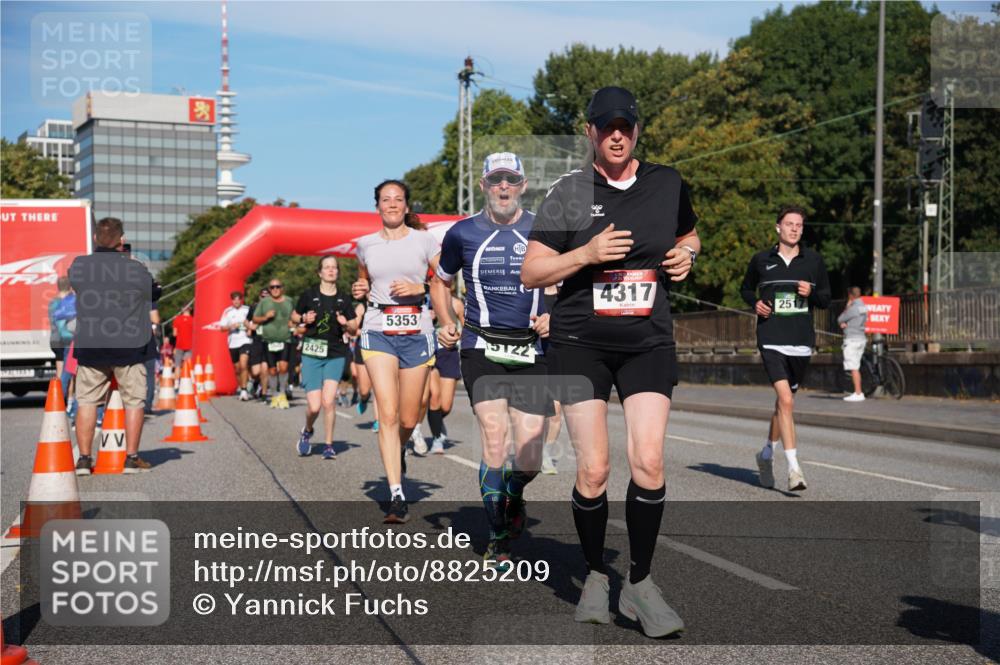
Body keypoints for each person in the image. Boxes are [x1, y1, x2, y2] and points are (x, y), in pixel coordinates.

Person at [521, 87, 699, 637]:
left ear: (637, 129)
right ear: (591, 132)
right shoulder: (569, 191)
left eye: (625, 124)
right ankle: (597, 572)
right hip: (580, 343)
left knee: (648, 461)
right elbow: (533, 271)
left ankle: (640, 584)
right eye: (605, 126)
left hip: (647, 339)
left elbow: (690, 232)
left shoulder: (667, 182)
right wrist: (586, 254)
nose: (616, 134)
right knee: (594, 470)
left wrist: (687, 254)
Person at [433, 151, 552, 566]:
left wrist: (553, 314)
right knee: (494, 436)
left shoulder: (543, 228)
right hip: (480, 345)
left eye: (511, 180)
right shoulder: (462, 233)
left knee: (532, 451)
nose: (504, 187)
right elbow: (440, 281)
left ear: (522, 186)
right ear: (483, 185)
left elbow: (567, 279)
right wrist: (447, 320)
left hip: (530, 347)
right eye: (496, 180)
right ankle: (498, 534)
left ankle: (514, 493)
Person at [352, 179, 441, 524]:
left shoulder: (424, 240)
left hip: (417, 331)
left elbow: (445, 277)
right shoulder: (365, 244)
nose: (391, 204)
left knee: (408, 417)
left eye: (398, 199)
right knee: (386, 414)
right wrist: (360, 288)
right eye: (385, 200)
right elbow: (363, 282)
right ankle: (396, 494)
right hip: (378, 331)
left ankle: (400, 448)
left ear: (406, 206)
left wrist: (422, 286)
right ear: (377, 206)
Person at [740, 204, 831, 492]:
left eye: (799, 225)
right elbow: (745, 289)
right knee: (787, 401)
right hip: (770, 338)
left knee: (784, 404)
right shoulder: (761, 260)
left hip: (801, 342)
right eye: (790, 224)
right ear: (778, 227)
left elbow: (826, 299)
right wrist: (754, 303)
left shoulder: (813, 261)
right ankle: (794, 469)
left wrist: (812, 293)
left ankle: (766, 454)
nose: (794, 229)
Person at [69, 217, 158, 474]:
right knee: (134, 401)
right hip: (130, 346)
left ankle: (84, 459)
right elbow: (153, 293)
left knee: (86, 400)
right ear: (121, 240)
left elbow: (77, 286)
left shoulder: (80, 266)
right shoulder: (135, 268)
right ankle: (131, 458)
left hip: (91, 344)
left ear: (96, 238)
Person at [293, 255, 360, 459]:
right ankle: (307, 430)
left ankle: (329, 445)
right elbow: (294, 317)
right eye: (327, 267)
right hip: (312, 353)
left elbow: (355, 326)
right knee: (314, 406)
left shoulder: (344, 298)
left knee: (329, 401)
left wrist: (345, 322)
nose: (331, 270)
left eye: (334, 268)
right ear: (319, 272)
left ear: (337, 272)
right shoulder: (309, 295)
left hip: (335, 353)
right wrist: (304, 318)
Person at [427, 289, 464, 454]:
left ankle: (432, 418)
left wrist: (457, 335)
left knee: (446, 405)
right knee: (434, 397)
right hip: (428, 353)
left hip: (449, 354)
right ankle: (437, 439)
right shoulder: (424, 301)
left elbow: (466, 327)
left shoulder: (456, 304)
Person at [253, 278, 294, 409]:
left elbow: (295, 316)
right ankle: (274, 395)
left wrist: (294, 322)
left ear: (282, 288)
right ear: (269, 289)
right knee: (271, 370)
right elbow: (254, 318)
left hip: (285, 339)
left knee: (283, 368)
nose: (275, 289)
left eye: (277, 287)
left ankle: (282, 393)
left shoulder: (289, 301)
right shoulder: (264, 303)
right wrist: (265, 317)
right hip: (268, 340)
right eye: (272, 287)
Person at [540, 284, 562, 475]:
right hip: (534, 355)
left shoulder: (566, 294)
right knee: (536, 412)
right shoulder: (532, 290)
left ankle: (546, 455)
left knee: (555, 411)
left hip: (557, 356)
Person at [219, 291, 252, 401]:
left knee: (243, 365)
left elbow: (253, 323)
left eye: (238, 299)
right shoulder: (227, 311)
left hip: (246, 340)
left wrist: (249, 328)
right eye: (234, 299)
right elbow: (222, 328)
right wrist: (230, 327)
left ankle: (244, 390)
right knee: (237, 369)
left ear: (241, 299)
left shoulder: (247, 309)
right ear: (232, 300)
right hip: (233, 342)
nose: (236, 301)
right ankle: (243, 386)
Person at [838, 286, 868, 402]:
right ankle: (858, 391)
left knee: (853, 367)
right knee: (856, 365)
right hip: (861, 337)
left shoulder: (853, 307)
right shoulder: (863, 307)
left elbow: (840, 319)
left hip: (852, 339)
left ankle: (858, 392)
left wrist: (847, 306)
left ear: (850, 295)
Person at [48, 276, 76, 387]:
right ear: (70, 287)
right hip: (65, 339)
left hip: (54, 339)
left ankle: (59, 397)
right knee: (69, 371)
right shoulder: (67, 303)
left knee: (60, 370)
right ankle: (67, 400)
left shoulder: (52, 302)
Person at [245, 287, 269, 400]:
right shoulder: (254, 307)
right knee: (255, 371)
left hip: (269, 341)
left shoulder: (275, 308)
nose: (264, 298)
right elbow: (246, 320)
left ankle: (263, 393)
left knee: (265, 369)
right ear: (260, 297)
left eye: (266, 296)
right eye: (262, 296)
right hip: (257, 340)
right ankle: (255, 381)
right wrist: (250, 327)